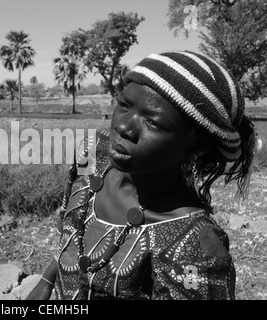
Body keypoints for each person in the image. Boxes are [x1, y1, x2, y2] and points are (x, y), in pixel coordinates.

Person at [26, 50, 257, 300]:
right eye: (124, 106)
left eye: (154, 123)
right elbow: (71, 231)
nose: (124, 127)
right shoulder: (93, 152)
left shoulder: (194, 246)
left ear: (196, 146)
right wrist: (46, 282)